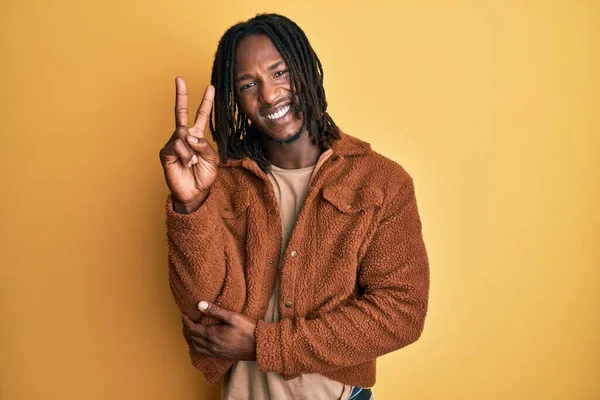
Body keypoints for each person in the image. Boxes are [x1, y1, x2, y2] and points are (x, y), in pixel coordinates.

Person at [159, 13, 429, 400]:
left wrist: (265, 345)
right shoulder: (220, 182)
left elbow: (401, 313)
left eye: (280, 73)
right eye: (248, 84)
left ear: (306, 70)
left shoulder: (381, 181)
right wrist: (191, 203)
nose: (269, 96)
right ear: (236, 100)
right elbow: (202, 310)